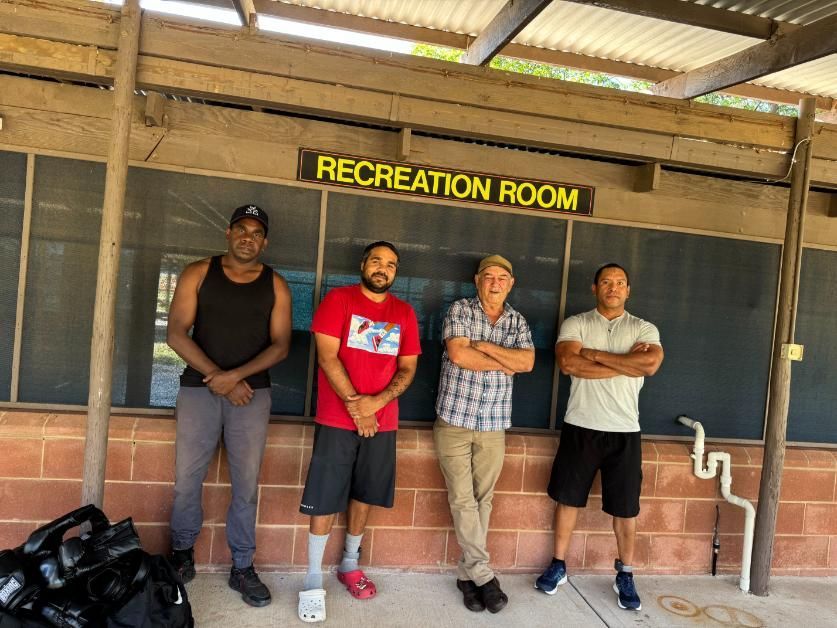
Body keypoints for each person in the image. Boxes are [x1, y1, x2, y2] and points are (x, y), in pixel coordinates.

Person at [166, 204, 292, 607]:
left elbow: (281, 345)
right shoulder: (198, 273)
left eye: (256, 232)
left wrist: (236, 378)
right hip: (199, 390)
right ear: (228, 232)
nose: (248, 237)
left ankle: (242, 566)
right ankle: (182, 555)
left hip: (251, 396)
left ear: (264, 241)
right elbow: (175, 333)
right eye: (241, 229)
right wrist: (221, 378)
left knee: (246, 486)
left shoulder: (276, 284)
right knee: (187, 478)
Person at [297, 241, 421, 623]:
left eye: (391, 264)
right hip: (337, 418)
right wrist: (357, 406)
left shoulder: (403, 312)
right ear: (363, 264)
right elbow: (327, 356)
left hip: (382, 421)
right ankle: (313, 580)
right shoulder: (339, 300)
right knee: (325, 496)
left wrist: (375, 405)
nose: (384, 269)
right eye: (377, 261)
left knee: (364, 492)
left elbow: (407, 369)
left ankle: (349, 564)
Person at [536, 263, 663, 611]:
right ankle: (558, 565)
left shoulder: (643, 327)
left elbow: (650, 365)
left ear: (628, 290)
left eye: (620, 282)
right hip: (581, 424)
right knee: (568, 499)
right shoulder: (577, 323)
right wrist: (625, 362)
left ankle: (626, 573)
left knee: (626, 509)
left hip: (625, 430)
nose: (613, 287)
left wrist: (593, 354)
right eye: (606, 282)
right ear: (594, 288)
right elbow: (569, 365)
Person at [434, 254, 535, 614]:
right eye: (488, 276)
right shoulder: (460, 310)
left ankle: (467, 576)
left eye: (502, 278)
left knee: (483, 500)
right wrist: (505, 361)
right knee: (463, 499)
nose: (495, 282)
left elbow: (527, 363)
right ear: (477, 280)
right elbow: (459, 356)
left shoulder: (517, 321)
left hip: (494, 424)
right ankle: (484, 575)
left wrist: (487, 347)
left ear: (511, 283)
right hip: (455, 421)